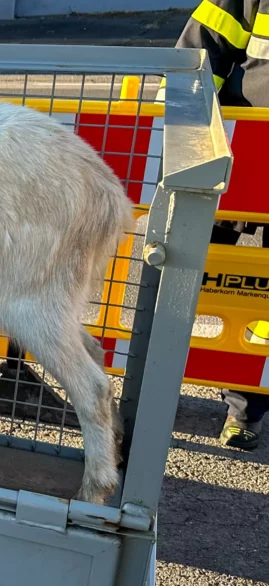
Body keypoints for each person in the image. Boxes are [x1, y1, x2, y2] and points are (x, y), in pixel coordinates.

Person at [175, 0, 269, 449]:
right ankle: (148, 387)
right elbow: (201, 49)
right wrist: (178, 140)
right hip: (238, 150)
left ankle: (247, 407)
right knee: (180, 269)